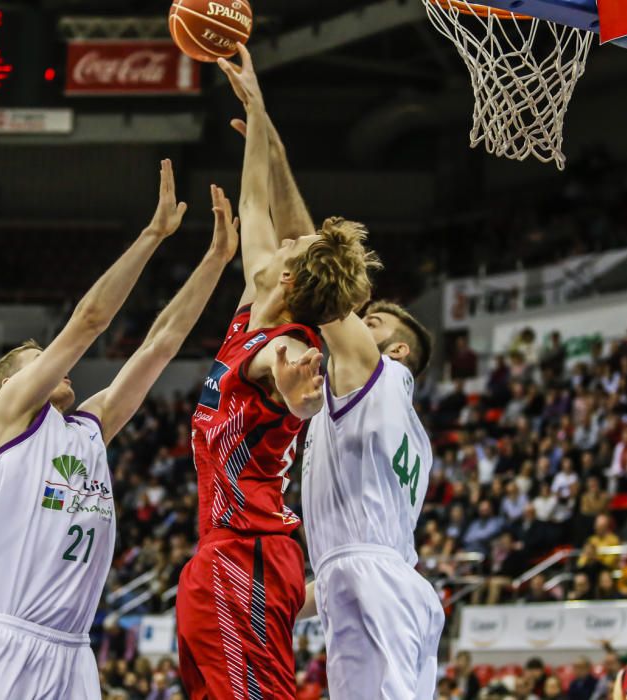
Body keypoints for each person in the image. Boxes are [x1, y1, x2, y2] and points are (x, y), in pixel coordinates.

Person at [0, 163, 240, 699]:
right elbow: (89, 321)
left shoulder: (87, 428)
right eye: (40, 362)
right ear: (11, 384)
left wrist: (216, 261)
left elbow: (159, 346)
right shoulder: (8, 418)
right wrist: (152, 236)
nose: (60, 367)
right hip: (9, 641)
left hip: (74, 650)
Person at [177, 44, 377, 698]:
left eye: (296, 242)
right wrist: (256, 110)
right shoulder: (250, 316)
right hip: (218, 556)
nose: (284, 235)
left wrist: (306, 377)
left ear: (288, 276)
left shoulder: (285, 346)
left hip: (253, 557)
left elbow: (301, 379)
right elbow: (255, 206)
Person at [298, 297, 443, 698]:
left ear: (398, 349)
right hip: (397, 586)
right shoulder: (413, 435)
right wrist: (277, 602)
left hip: (378, 589)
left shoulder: (376, 376)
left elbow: (326, 300)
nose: (359, 325)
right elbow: (351, 557)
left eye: (371, 322)